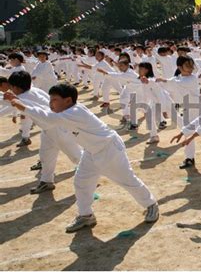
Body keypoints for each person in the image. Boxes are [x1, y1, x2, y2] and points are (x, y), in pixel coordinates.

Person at [4, 83, 159, 232]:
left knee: (128, 181)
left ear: (68, 100)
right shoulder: (65, 113)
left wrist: (17, 103)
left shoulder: (74, 112)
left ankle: (151, 205)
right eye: (50, 100)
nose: (51, 104)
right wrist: (18, 102)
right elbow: (46, 112)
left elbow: (47, 117)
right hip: (91, 151)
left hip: (109, 150)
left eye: (54, 100)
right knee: (82, 182)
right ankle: (86, 215)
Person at [6, 72, 83, 192]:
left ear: (16, 87)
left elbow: (6, 103)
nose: (10, 90)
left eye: (11, 87)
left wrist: (8, 98)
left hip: (58, 128)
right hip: (48, 129)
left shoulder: (21, 99)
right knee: (46, 156)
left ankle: (92, 174)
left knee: (76, 156)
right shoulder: (35, 90)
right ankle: (47, 181)